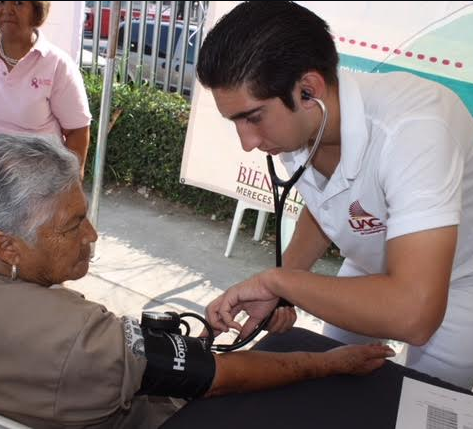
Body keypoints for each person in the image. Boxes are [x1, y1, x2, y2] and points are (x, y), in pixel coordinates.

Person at [0, 134, 394, 429]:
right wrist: (331, 362)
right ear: (7, 246)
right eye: (72, 225)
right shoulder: (86, 340)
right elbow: (219, 378)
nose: (92, 235)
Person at [197, 1, 473, 390]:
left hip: (457, 282)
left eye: (253, 117)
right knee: (332, 378)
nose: (247, 143)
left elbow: (416, 314)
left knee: (428, 400)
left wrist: (279, 283)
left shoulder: (415, 131)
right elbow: (327, 204)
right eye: (236, 122)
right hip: (369, 267)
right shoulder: (303, 126)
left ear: (309, 90)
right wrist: (284, 288)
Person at [0, 1, 91, 177]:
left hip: (35, 193)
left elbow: (77, 131)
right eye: (0, 2)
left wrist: (70, 186)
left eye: (18, 3)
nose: (7, 10)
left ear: (36, 11)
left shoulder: (57, 65)